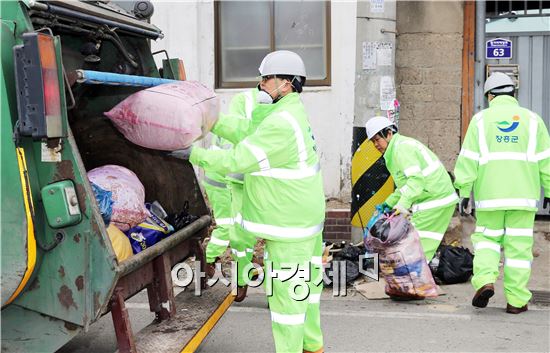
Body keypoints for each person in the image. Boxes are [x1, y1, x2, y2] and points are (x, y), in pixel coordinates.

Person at [170, 50, 325, 353]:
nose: (261, 83)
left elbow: (239, 158)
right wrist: (211, 121)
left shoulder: (281, 123)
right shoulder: (285, 113)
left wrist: (193, 155)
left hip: (290, 226)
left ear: (288, 83)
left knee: (287, 300)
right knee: (305, 291)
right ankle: (312, 346)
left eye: (268, 78)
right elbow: (245, 132)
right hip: (301, 220)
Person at [454, 72, 550, 314]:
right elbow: (546, 160)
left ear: (490, 95)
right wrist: (549, 190)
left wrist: (464, 190)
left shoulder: (480, 120)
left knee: (487, 241)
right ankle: (516, 302)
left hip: (491, 197)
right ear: (513, 94)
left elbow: (468, 159)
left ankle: (485, 281)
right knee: (519, 249)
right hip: (523, 198)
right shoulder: (533, 120)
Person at [365, 116, 458, 262]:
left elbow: (416, 180)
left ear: (389, 133)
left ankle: (416, 281)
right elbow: (405, 186)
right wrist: (389, 203)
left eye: (378, 139)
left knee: (413, 249)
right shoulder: (397, 149)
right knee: (417, 248)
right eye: (373, 142)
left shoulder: (401, 149)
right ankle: (418, 280)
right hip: (435, 199)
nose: (376, 144)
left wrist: (402, 205)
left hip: (433, 201)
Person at [202, 89, 257, 278]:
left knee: (232, 227)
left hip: (219, 179)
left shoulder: (234, 125)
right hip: (222, 182)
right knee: (228, 227)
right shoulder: (242, 133)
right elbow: (239, 167)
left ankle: (241, 267)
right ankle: (208, 260)